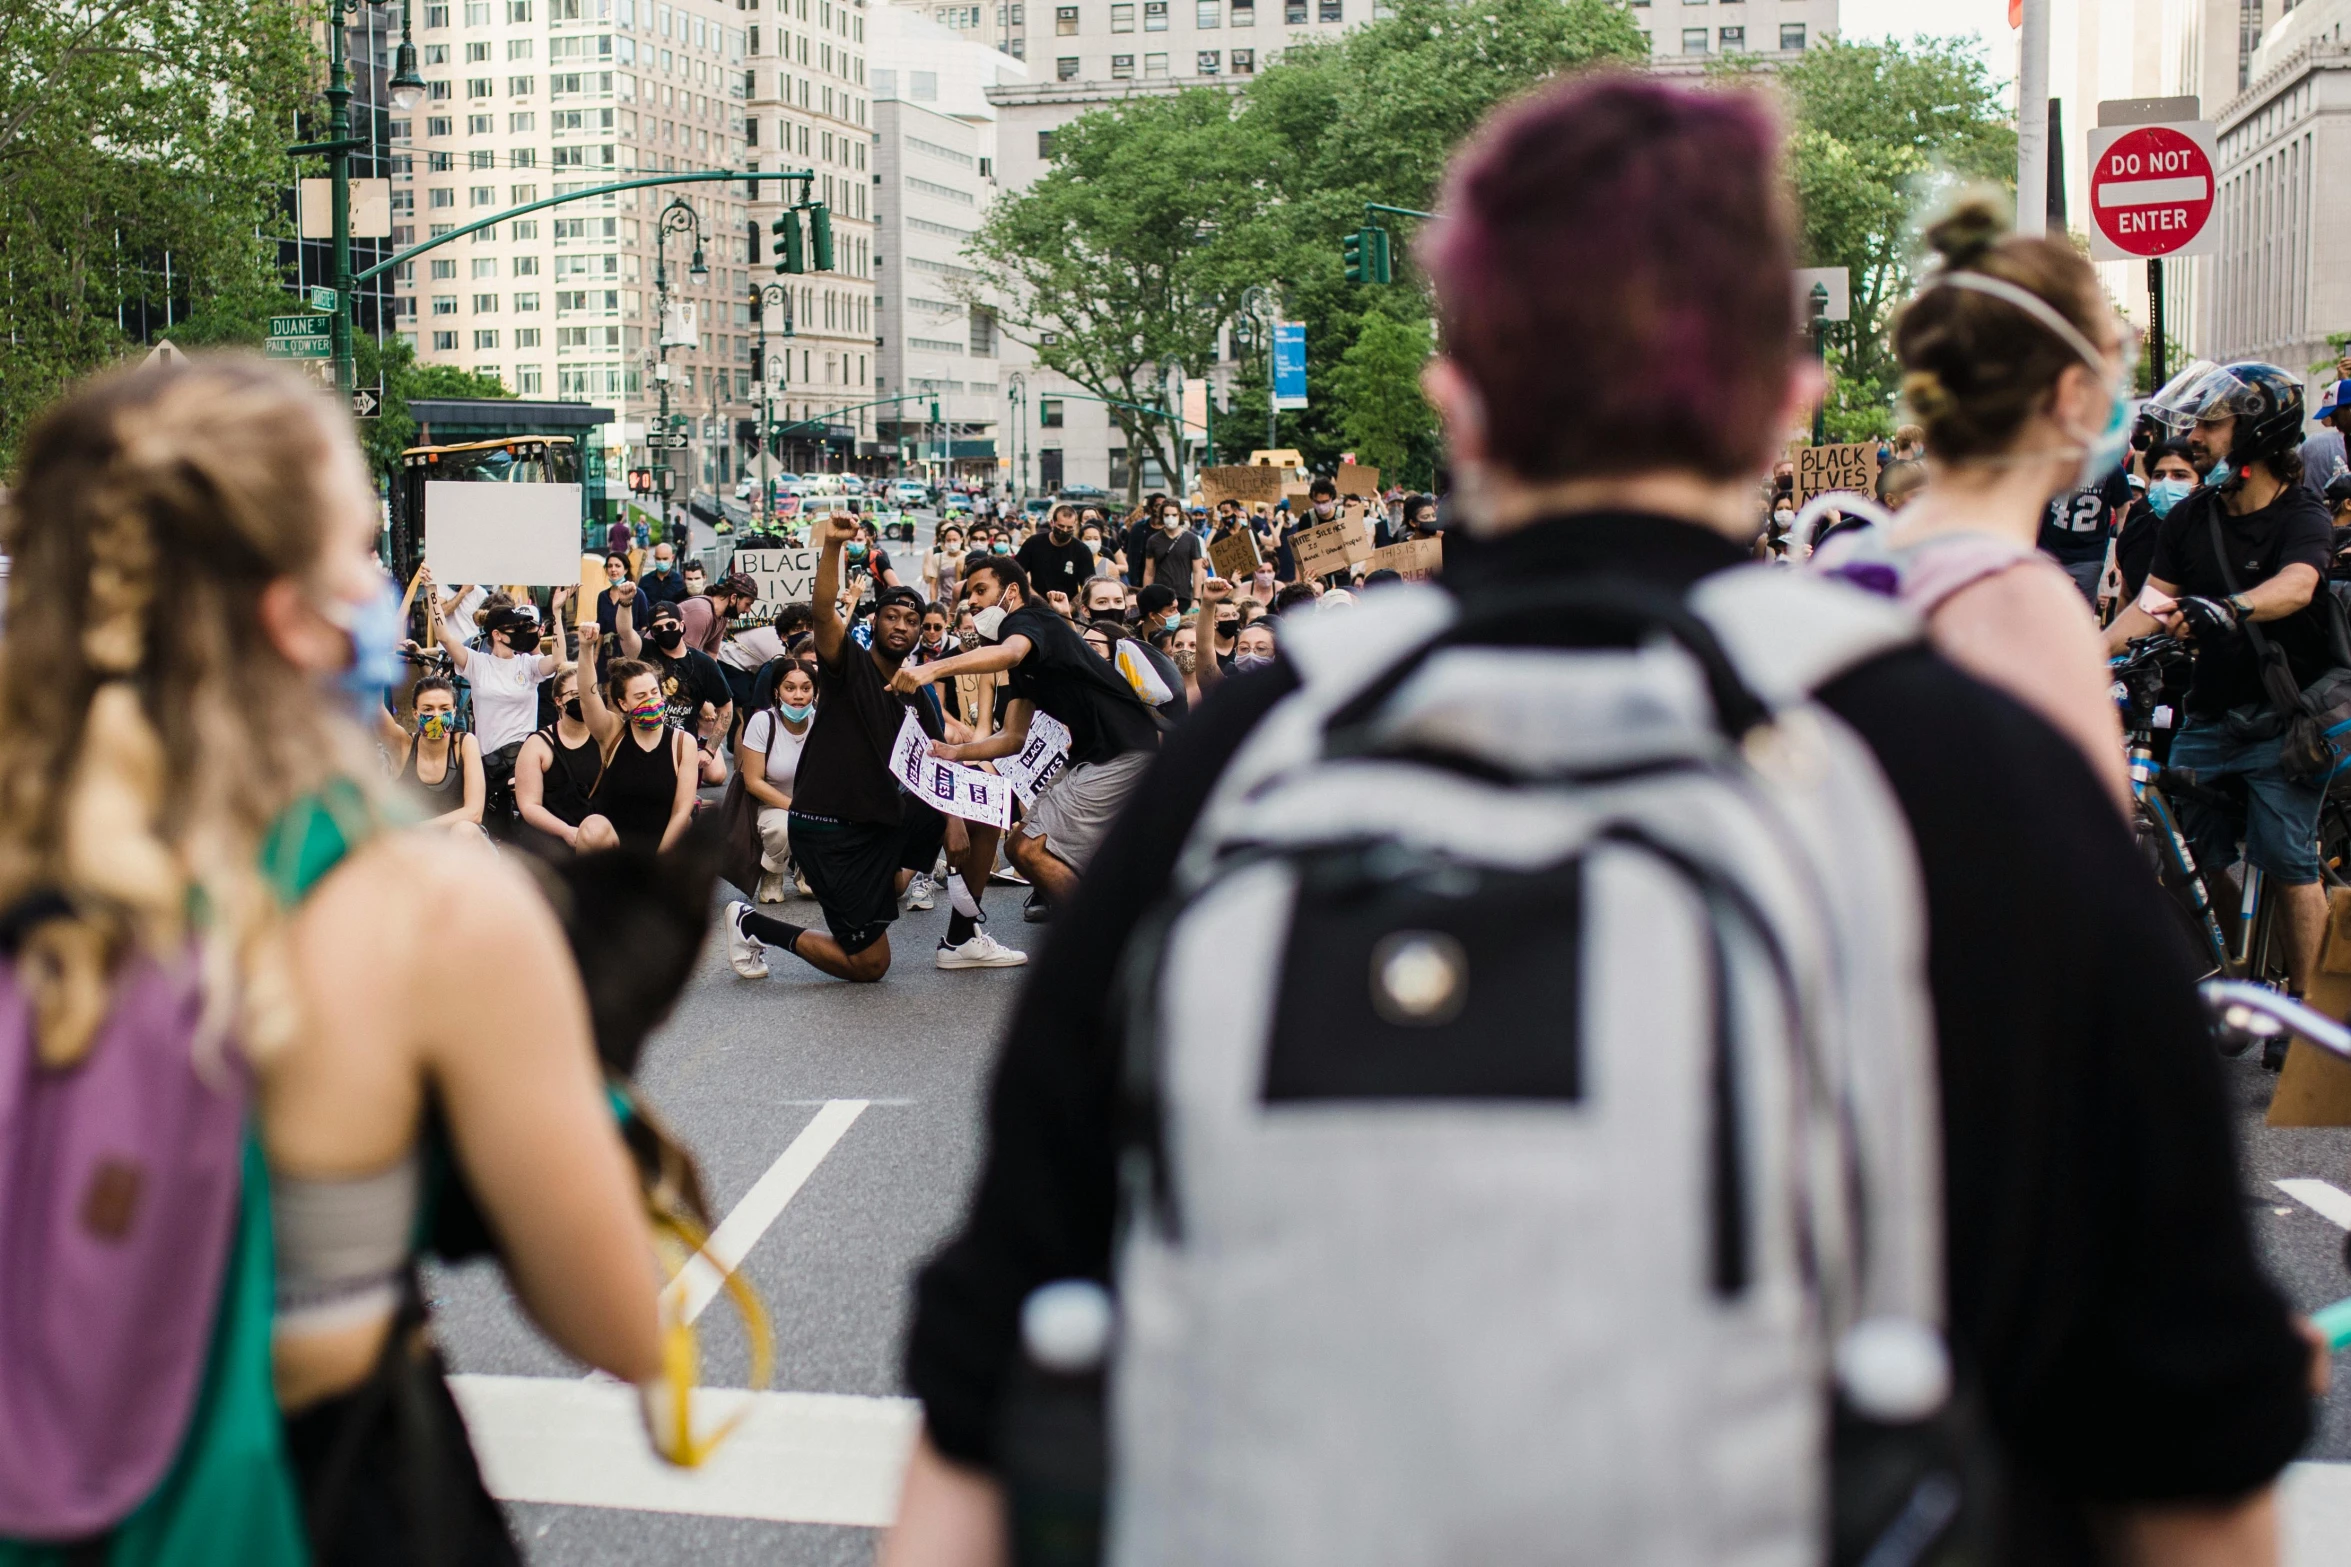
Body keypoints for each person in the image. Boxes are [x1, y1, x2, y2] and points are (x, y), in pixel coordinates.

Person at [888, 76, 2309, 1567]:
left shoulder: (1250, 753)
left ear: (1460, 397)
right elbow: (2191, 1477)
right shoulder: (1955, 767)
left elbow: (980, 1433)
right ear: (1784, 394)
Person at [0, 355, 662, 1562]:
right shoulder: (423, 906)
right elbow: (622, 1322)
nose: (377, 586)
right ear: (286, 610)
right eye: (360, 548)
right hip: (322, 1503)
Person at [1810, 198, 2133, 812]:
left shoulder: (1844, 559)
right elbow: (2097, 886)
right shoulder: (2027, 603)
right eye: (2115, 367)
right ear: (2070, 393)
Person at [2106, 359, 2340, 997]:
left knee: (2287, 860)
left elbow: (2298, 587)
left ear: (2259, 430)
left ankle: (2316, 1017)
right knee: (2187, 860)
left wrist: (2231, 606)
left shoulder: (2303, 512)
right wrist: (2085, 654)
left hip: (2285, 720)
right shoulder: (2191, 517)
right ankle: (2234, 975)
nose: (2197, 437)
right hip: (2209, 715)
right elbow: (2149, 606)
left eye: (2213, 424)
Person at [723, 517, 1024, 980]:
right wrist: (832, 547)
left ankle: (962, 938)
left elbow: (936, 758)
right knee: (870, 965)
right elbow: (823, 613)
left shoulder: (917, 692)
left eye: (912, 620)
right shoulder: (849, 668)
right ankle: (752, 924)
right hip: (829, 833)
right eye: (891, 616)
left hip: (882, 822)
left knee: (983, 806)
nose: (902, 626)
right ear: (874, 621)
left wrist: (953, 818)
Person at [890, 555, 1160, 913]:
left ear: (1012, 591)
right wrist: (956, 753)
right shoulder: (1024, 661)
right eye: (970, 593)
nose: (973, 600)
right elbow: (1013, 738)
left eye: (982, 590)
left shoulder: (1029, 621)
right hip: (1092, 755)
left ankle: (1102, 942)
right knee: (1018, 847)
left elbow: (1007, 651)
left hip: (1124, 750)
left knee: (1034, 849)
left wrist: (930, 670)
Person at [422, 574, 561, 835]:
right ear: (496, 634)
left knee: (524, 828)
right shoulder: (476, 663)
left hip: (521, 759)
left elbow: (558, 659)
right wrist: (431, 590)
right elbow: (442, 635)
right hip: (486, 760)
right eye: (514, 629)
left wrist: (557, 612)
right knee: (493, 830)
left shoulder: (528, 665)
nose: (520, 634)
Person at [576, 629, 699, 853]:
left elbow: (682, 812)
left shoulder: (683, 743)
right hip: (616, 850)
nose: (651, 701)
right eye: (641, 697)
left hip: (663, 851)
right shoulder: (611, 732)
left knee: (689, 827)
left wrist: (657, 866)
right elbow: (587, 696)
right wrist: (585, 649)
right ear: (623, 704)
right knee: (592, 826)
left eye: (654, 692)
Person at [618, 598, 734, 784]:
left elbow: (726, 707)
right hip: (646, 742)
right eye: (657, 629)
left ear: (681, 625)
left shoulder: (704, 664)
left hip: (684, 744)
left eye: (670, 625)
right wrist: (625, 604)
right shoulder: (644, 652)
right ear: (652, 634)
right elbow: (624, 633)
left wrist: (709, 750)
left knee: (715, 777)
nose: (665, 631)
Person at [514, 661, 621, 855]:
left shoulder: (607, 733)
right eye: (574, 695)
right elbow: (529, 805)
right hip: (552, 838)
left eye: (587, 694)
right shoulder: (538, 744)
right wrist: (566, 831)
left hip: (600, 833)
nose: (582, 700)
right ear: (558, 701)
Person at [736, 661, 817, 902]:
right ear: (776, 692)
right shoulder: (763, 722)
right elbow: (753, 782)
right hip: (771, 807)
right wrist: (796, 808)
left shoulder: (822, 722)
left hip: (814, 806)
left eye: (806, 688)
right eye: (790, 688)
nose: (798, 696)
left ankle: (810, 868)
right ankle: (772, 870)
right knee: (784, 827)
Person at [385, 673, 486, 830]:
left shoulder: (465, 743)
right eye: (428, 709)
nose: (436, 715)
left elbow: (474, 812)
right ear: (415, 713)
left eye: (444, 708)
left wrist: (419, 828)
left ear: (454, 712)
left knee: (465, 830)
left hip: (459, 844)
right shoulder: (404, 745)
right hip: (417, 847)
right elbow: (375, 712)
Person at [2116, 440, 2199, 603]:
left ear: (2200, 482)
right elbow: (2126, 596)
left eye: (2179, 476)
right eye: (2159, 476)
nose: (2167, 483)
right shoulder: (2134, 533)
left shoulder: (2214, 532)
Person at [1015, 504, 1095, 607]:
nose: (1065, 530)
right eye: (1061, 526)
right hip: (1035, 606)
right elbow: (1017, 573)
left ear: (1075, 526)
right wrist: (1037, 599)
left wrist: (1069, 609)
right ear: (1052, 523)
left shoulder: (1082, 551)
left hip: (1068, 609)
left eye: (1069, 527)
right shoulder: (1033, 543)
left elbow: (1088, 586)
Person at [1140, 498, 1206, 612]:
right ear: (1161, 515)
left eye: (1174, 515)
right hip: (1159, 596)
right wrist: (1146, 598)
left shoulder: (1191, 539)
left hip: (1183, 596)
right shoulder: (1153, 540)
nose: (1170, 518)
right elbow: (1149, 572)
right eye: (1166, 515)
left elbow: (1197, 571)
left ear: (1180, 515)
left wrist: (1196, 599)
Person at [637, 539, 690, 610]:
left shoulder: (680, 581)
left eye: (665, 559)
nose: (661, 562)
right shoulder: (645, 581)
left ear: (672, 558)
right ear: (654, 558)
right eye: (658, 559)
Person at [926, 523, 969, 604]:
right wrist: (934, 604)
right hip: (944, 603)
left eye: (954, 540)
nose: (951, 543)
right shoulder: (938, 558)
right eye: (948, 540)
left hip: (963, 603)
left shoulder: (967, 556)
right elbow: (933, 585)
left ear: (961, 540)